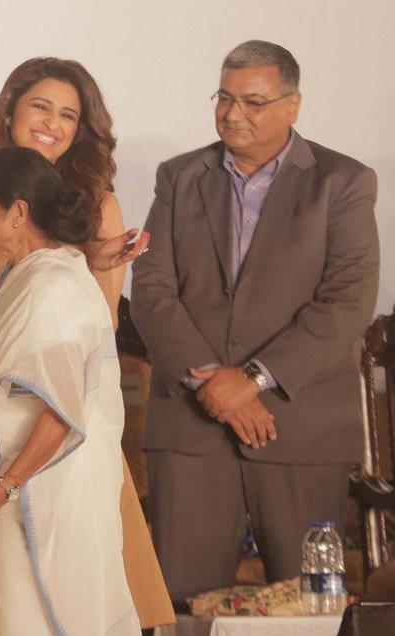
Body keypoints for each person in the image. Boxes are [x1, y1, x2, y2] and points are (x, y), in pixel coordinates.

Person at [0, 57, 173, 634]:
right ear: (10, 111)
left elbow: (85, 349)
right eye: (40, 107)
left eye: (69, 116)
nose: (53, 123)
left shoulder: (97, 208)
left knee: (71, 614)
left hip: (58, 426)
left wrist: (73, 261)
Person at [131, 40, 378, 603]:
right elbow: (152, 289)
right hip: (192, 433)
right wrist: (211, 382)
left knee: (314, 620)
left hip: (300, 429)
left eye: (253, 102)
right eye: (224, 97)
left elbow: (347, 301)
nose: (232, 113)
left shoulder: (342, 182)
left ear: (293, 105)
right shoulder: (179, 177)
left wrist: (254, 379)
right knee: (182, 617)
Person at [0, 147, 148, 636]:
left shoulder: (52, 287)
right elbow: (9, 397)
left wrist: (2, 489)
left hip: (26, 509)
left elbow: (62, 409)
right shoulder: (24, 276)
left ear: (18, 212)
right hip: (4, 504)